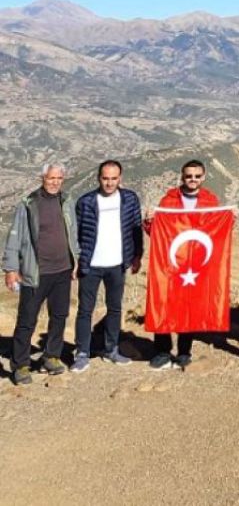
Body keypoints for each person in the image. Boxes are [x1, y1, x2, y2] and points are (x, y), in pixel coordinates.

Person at [4, 163, 79, 385]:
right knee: (27, 320)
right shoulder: (29, 204)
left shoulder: (66, 202)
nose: (55, 182)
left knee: (59, 316)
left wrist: (76, 261)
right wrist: (10, 268)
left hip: (62, 270)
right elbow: (14, 237)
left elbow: (72, 234)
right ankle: (21, 365)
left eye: (59, 178)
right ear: (42, 178)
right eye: (51, 178)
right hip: (35, 273)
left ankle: (51, 356)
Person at [146, 160, 220, 370]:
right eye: (189, 176)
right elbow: (157, 233)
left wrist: (229, 219)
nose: (193, 180)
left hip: (196, 264)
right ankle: (162, 350)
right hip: (171, 263)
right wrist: (150, 221)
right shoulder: (169, 200)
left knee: (189, 306)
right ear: (182, 176)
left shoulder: (210, 200)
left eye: (197, 176)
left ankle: (184, 350)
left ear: (203, 177)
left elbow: (216, 231)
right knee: (164, 303)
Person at [72, 160, 143, 373]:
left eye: (114, 178)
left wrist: (138, 255)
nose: (109, 183)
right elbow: (76, 234)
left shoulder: (129, 198)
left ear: (120, 178)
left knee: (115, 308)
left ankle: (111, 349)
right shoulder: (86, 201)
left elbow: (136, 228)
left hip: (117, 264)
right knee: (85, 310)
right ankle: (82, 352)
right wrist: (76, 260)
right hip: (91, 265)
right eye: (105, 178)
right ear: (98, 178)